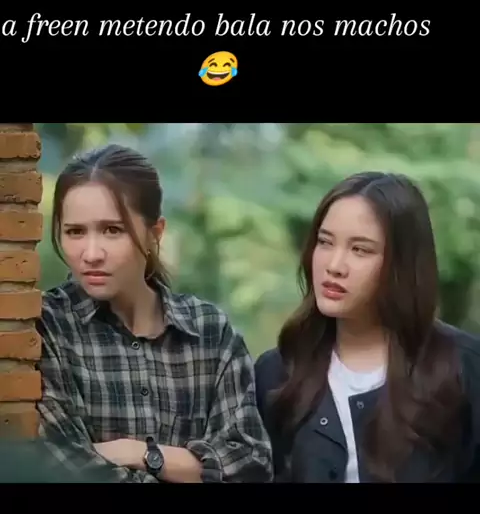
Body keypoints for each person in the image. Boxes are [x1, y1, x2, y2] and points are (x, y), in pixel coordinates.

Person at [35, 143, 273, 483]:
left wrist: (142, 454)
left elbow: (251, 463)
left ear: (155, 233)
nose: (91, 253)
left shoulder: (209, 332)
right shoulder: (48, 327)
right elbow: (66, 466)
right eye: (75, 232)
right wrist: (191, 467)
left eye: (112, 230)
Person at [254, 171, 480, 483]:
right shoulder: (278, 374)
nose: (334, 266)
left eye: (360, 249)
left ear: (403, 264)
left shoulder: (464, 368)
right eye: (325, 242)